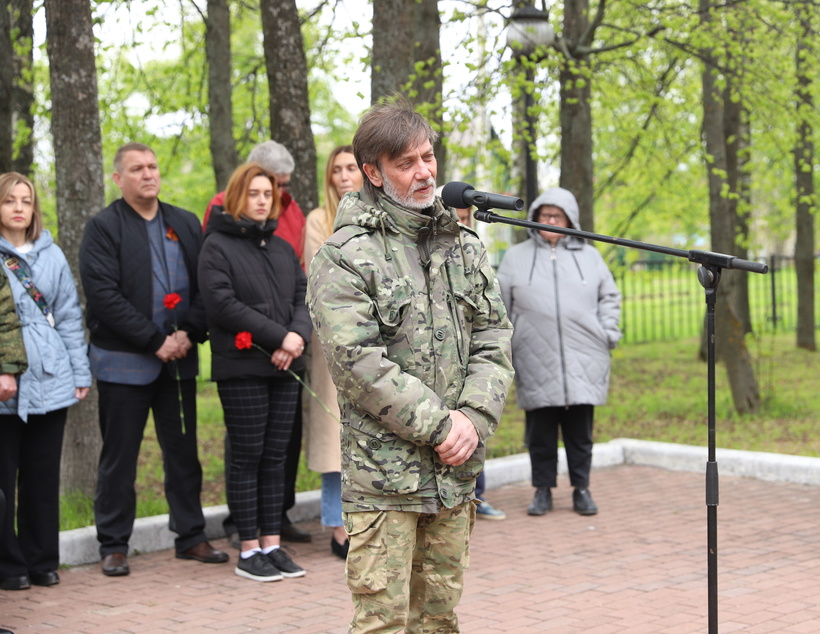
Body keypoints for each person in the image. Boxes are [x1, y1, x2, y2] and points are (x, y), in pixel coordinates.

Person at [307, 101, 514, 632]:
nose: (424, 172)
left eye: (428, 157)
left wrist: (474, 417)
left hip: (453, 475)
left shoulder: (464, 247)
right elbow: (358, 363)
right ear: (373, 173)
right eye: (406, 163)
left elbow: (494, 337)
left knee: (439, 621)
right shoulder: (344, 257)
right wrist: (442, 426)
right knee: (383, 624)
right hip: (386, 483)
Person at [79, 143, 228, 577]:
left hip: (179, 359)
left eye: (152, 166)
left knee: (183, 453)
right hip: (123, 362)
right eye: (136, 169)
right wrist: (153, 340)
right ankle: (113, 544)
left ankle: (191, 535)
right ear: (118, 179)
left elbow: (206, 285)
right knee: (119, 458)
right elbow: (104, 296)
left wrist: (188, 333)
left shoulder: (184, 222)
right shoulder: (103, 228)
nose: (148, 174)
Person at [198, 162, 312, 582]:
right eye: (254, 194)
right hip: (243, 368)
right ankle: (248, 549)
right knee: (248, 457)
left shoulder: (281, 248)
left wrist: (296, 337)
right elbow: (223, 305)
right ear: (236, 196)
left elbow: (302, 296)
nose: (263, 201)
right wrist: (281, 338)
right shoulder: (216, 246)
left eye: (268, 194)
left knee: (276, 458)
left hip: (285, 365)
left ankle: (272, 544)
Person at [496, 187, 622, 517]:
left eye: (557, 216)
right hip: (534, 355)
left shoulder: (590, 256)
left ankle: (582, 489)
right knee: (540, 432)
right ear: (534, 217)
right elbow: (500, 305)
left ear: (570, 220)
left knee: (580, 432)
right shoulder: (516, 257)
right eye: (545, 215)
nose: (550, 221)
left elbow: (610, 296)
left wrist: (607, 333)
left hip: (585, 356)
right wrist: (509, 344)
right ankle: (542, 490)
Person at [0, 172, 90, 590]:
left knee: (41, 477)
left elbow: (69, 315)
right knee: (4, 480)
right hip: (6, 385)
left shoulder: (51, 255)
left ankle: (41, 561)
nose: (19, 208)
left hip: (51, 378)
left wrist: (79, 370)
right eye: (9, 200)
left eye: (26, 200)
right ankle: (8, 566)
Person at [304, 145, 363, 559]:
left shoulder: (381, 214)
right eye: (337, 169)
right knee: (334, 435)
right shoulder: (318, 220)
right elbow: (321, 276)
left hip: (378, 340)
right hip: (333, 341)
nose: (343, 175)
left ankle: (372, 520)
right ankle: (338, 527)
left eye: (351, 168)